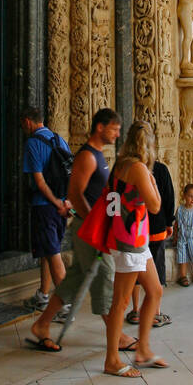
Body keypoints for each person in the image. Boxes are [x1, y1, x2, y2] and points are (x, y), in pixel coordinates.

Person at [27, 108, 133, 353]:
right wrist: (92, 222)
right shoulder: (87, 157)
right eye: (114, 129)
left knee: (74, 280)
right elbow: (75, 193)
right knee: (104, 278)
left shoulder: (99, 155)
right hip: (89, 232)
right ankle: (116, 336)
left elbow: (100, 194)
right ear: (100, 127)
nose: (117, 134)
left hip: (92, 228)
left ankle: (42, 325)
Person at [105, 121, 167, 376]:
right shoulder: (139, 169)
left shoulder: (119, 165)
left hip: (132, 239)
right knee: (120, 302)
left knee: (155, 290)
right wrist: (152, 180)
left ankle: (143, 350)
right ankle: (111, 360)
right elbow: (155, 206)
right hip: (130, 241)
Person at [21, 108, 70, 310]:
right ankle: (43, 294)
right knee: (47, 252)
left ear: (27, 122)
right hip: (62, 206)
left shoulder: (32, 143)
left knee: (53, 252)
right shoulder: (60, 140)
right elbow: (71, 172)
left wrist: (54, 202)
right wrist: (66, 202)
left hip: (45, 207)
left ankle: (66, 305)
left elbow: (39, 182)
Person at [128, 148, 174, 327]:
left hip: (136, 229)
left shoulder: (128, 171)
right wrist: (169, 222)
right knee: (157, 268)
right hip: (155, 227)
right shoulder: (160, 170)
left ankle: (135, 310)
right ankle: (156, 313)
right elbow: (169, 197)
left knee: (135, 269)